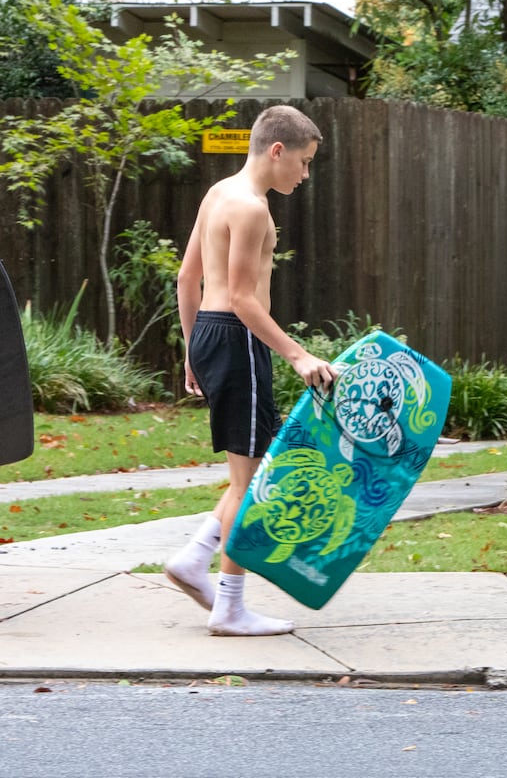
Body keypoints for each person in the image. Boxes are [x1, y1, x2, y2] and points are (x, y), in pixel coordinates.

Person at [163, 105, 337, 637]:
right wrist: (297, 354)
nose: (305, 176)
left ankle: (195, 560)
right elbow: (242, 298)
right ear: (277, 150)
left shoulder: (219, 192)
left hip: (213, 336)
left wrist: (193, 348)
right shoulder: (253, 210)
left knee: (249, 472)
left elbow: (186, 277)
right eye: (304, 163)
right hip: (238, 340)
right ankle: (230, 607)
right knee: (251, 482)